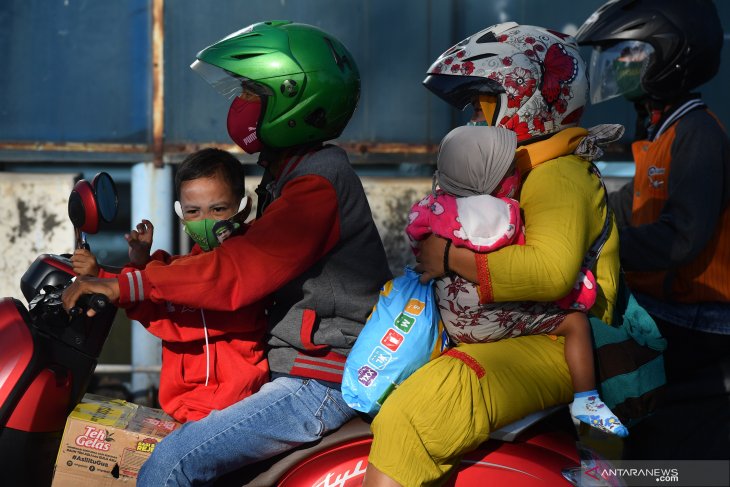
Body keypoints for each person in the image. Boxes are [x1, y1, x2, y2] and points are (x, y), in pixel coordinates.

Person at [62, 21, 392, 485]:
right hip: (300, 373)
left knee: (170, 464)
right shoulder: (291, 177)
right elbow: (216, 266)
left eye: (253, 92)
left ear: (295, 97)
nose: (241, 105)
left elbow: (236, 273)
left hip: (319, 381)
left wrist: (124, 283)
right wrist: (131, 272)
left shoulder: (317, 184)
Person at [362, 22, 622, 486]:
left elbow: (551, 273)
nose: (476, 118)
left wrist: (450, 260)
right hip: (526, 328)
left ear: (529, 100)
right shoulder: (525, 167)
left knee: (416, 412)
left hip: (561, 342)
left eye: (484, 102)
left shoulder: (557, 174)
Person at [576, 0, 730, 459]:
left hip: (699, 320)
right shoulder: (661, 133)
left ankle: (604, 466)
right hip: (671, 306)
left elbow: (682, 238)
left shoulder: (698, 135)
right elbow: (623, 208)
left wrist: (596, 249)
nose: (618, 67)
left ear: (669, 59)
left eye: (629, 55)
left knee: (585, 346)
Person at [406, 124, 627, 437]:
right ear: (486, 179)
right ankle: (587, 400)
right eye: (510, 169)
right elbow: (526, 266)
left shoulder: (433, 206)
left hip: (454, 318)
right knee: (575, 321)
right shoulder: (493, 214)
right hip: (483, 318)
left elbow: (418, 243)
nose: (517, 174)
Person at [71, 148, 269, 424]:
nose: (206, 220)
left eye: (218, 209)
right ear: (181, 214)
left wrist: (118, 281)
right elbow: (164, 290)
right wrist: (106, 274)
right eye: (194, 211)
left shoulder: (248, 259)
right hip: (187, 412)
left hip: (232, 409)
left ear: (243, 207)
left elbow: (183, 292)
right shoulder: (183, 268)